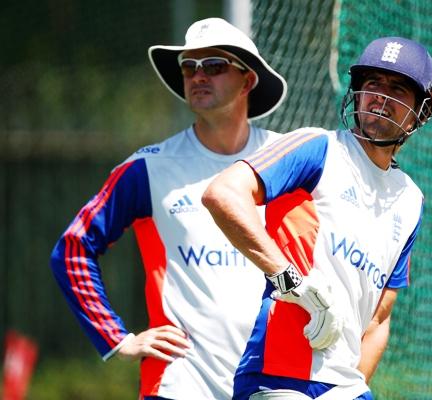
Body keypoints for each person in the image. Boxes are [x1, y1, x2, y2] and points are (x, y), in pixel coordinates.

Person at [49, 17, 287, 400]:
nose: (197, 76)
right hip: (178, 385)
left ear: (248, 81)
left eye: (214, 66)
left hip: (274, 384)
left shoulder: (289, 160)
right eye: (189, 67)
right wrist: (118, 339)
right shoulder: (148, 168)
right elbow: (73, 248)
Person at [202, 36, 432, 399]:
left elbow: (379, 318)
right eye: (372, 83)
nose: (381, 96)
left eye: (398, 88)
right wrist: (288, 279)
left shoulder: (411, 200)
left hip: (345, 387)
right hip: (278, 374)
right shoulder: (316, 146)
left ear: (423, 110)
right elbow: (222, 194)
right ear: (356, 92)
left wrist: (349, 386)